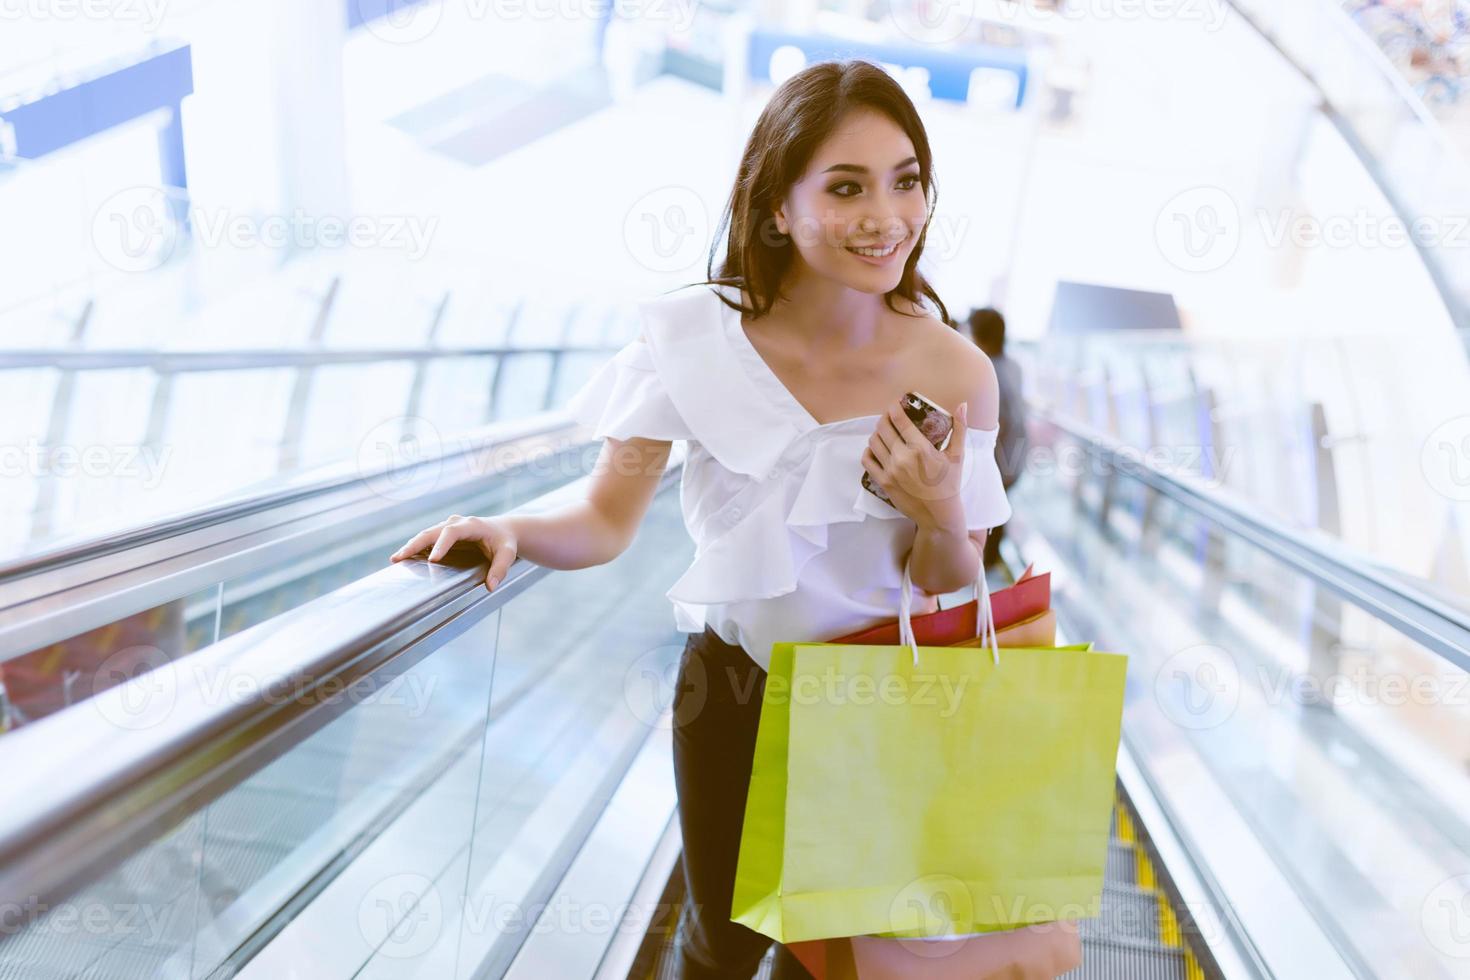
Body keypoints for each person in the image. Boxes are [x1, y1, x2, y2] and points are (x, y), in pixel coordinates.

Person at [390, 60, 1012, 980]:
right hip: (731, 694)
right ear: (774, 208)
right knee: (722, 944)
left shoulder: (957, 374)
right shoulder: (694, 339)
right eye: (846, 187)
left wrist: (940, 509)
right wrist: (514, 530)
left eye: (906, 180)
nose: (887, 216)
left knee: (837, 960)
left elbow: (947, 578)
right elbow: (605, 518)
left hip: (885, 697)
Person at [967, 307, 1027, 568]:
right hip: (1017, 456)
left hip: (1000, 460)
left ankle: (983, 563)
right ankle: (989, 561)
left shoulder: (985, 370)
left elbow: (997, 424)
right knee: (998, 512)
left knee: (986, 515)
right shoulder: (1013, 366)